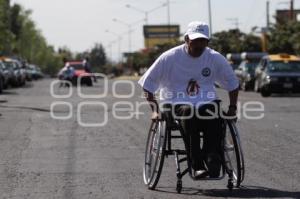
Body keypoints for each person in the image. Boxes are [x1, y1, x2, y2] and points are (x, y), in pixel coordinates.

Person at [138, 21, 239, 178]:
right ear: (186, 39)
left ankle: (212, 157)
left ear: (207, 42)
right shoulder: (169, 58)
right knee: (189, 112)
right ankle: (197, 164)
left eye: (203, 41)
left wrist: (232, 108)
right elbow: (147, 84)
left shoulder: (214, 58)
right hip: (175, 102)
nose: (199, 45)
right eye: (195, 41)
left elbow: (233, 84)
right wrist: (155, 111)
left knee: (214, 112)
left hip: (205, 101)